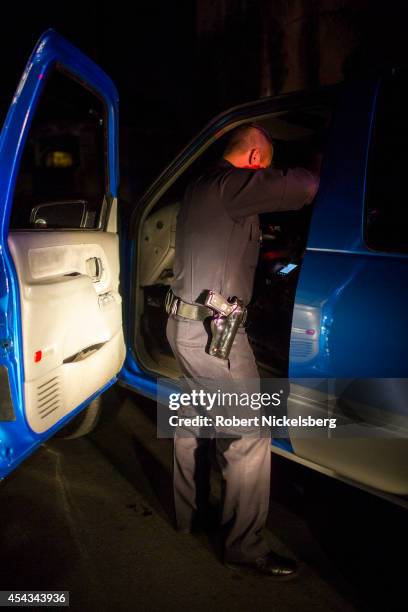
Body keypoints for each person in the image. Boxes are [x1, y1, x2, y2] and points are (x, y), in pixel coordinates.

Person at [165, 124, 319, 577]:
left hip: (183, 327)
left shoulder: (201, 185)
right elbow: (304, 186)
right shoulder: (232, 185)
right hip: (216, 340)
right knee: (248, 436)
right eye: (265, 166)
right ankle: (243, 546)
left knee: (193, 423)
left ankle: (187, 517)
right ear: (255, 159)